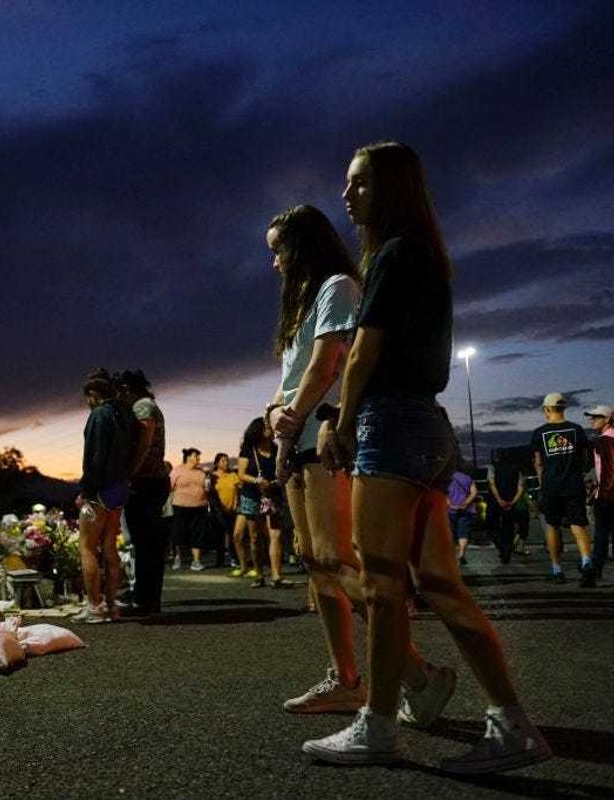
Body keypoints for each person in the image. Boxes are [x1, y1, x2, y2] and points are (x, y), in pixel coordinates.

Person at [306, 141, 551, 773]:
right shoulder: (425, 255)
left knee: (384, 586)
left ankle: (378, 727)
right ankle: (510, 723)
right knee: (439, 584)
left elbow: (363, 350)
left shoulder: (394, 254)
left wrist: (339, 416)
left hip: (392, 422)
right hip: (427, 425)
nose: (346, 194)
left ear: (389, 187)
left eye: (358, 183)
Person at [266, 204, 453, 721]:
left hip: (320, 432)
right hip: (294, 437)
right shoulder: (301, 302)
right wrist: (276, 411)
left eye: (279, 249)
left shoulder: (336, 287)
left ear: (303, 245)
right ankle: (345, 678)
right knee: (313, 561)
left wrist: (296, 413)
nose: (274, 262)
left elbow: (333, 361)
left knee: (336, 558)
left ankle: (417, 672)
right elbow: (295, 371)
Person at [73, 368, 131, 623]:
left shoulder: (99, 415)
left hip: (99, 491)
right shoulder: (123, 414)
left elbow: (95, 458)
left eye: (87, 397)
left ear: (93, 394)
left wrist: (86, 491)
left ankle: (94, 607)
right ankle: (112, 606)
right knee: (109, 547)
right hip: (119, 489)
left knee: (86, 546)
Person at [116, 369, 170, 616]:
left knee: (146, 544)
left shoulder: (142, 407)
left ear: (128, 389)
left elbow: (146, 441)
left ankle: (145, 601)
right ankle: (147, 599)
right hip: (152, 481)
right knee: (147, 544)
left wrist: (129, 472)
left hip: (146, 482)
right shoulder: (148, 405)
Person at [531, 392, 596, 587]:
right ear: (563, 408)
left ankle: (557, 569)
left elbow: (538, 463)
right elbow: (585, 458)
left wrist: (543, 484)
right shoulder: (576, 430)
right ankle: (586, 562)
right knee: (578, 525)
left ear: (548, 409)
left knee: (552, 525)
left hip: (552, 485)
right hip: (574, 484)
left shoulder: (539, 433)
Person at [235, 417, 286, 588]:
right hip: (252, 495)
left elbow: (280, 469)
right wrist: (258, 481)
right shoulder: (248, 450)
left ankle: (276, 574)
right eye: (268, 427)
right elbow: (241, 474)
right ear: (258, 430)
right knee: (255, 537)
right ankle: (258, 573)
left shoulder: (275, 448)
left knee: (275, 534)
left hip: (272, 494)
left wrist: (277, 480)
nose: (271, 429)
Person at [584, 404, 614, 579]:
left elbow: (609, 471)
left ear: (608, 419)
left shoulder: (602, 442)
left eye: (596, 417)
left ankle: (594, 572)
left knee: (601, 535)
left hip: (607, 496)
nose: (592, 419)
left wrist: (602, 494)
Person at [170, 448, 210, 571]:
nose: (198, 458)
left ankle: (196, 561)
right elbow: (169, 487)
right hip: (181, 507)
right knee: (179, 533)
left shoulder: (201, 472)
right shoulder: (177, 471)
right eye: (196, 456)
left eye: (199, 456)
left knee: (197, 534)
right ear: (188, 457)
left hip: (199, 507)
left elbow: (207, 488)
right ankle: (178, 558)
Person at [487, 449, 527, 564]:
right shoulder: (517, 469)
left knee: (492, 526)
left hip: (495, 501)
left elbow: (492, 483)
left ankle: (501, 547)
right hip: (510, 501)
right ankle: (507, 547)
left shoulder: (493, 467)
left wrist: (499, 499)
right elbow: (521, 487)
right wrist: (513, 501)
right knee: (508, 527)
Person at [210, 453, 238, 567]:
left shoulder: (232, 475)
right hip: (218, 510)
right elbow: (210, 493)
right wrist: (218, 508)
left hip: (232, 510)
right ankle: (219, 560)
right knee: (218, 535)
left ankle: (234, 558)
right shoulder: (211, 476)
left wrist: (236, 505)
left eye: (226, 460)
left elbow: (237, 491)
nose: (225, 463)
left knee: (232, 534)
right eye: (222, 461)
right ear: (216, 463)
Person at [447, 469, 478, 565]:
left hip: (451, 510)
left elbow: (444, 494)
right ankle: (461, 554)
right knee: (463, 532)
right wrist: (466, 502)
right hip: (465, 510)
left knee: (451, 532)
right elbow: (474, 492)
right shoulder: (467, 478)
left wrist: (451, 505)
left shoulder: (447, 477)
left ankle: (453, 555)